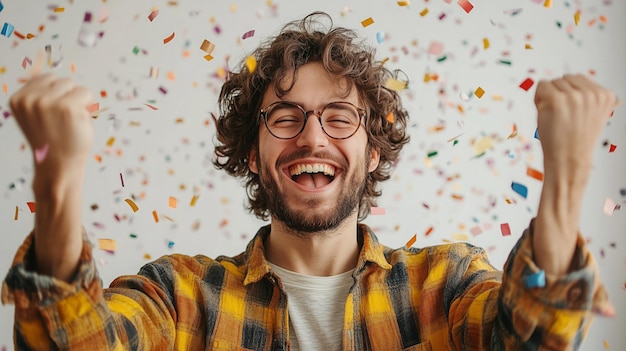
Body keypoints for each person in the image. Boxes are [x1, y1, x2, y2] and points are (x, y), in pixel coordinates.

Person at [1, 11, 616, 351]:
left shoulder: (445, 286)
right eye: (286, 116)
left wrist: (565, 177)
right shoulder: (179, 296)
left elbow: (531, 340)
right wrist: (57, 182)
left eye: (340, 117)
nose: (313, 137)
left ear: (372, 152)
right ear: (252, 152)